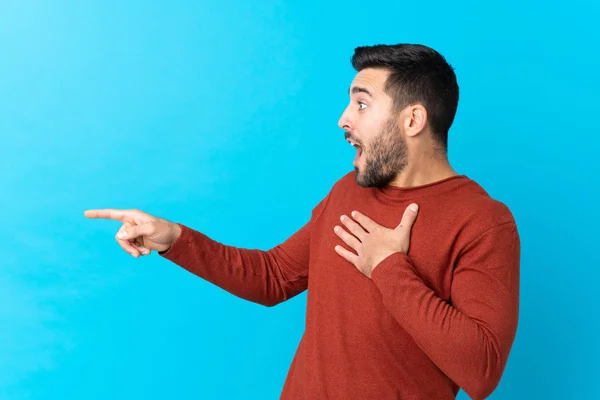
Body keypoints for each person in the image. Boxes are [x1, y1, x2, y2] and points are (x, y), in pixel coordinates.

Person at [84, 44, 520, 400]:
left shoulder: (482, 222)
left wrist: (389, 268)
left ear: (412, 120)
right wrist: (173, 238)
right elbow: (272, 277)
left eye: (361, 104)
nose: (344, 119)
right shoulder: (347, 192)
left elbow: (480, 372)